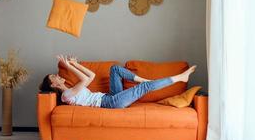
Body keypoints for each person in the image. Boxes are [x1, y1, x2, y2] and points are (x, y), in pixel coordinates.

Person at [39, 55, 196, 109]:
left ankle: (144, 80)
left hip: (109, 96)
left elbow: (91, 75)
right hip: (111, 103)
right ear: (53, 85)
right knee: (146, 87)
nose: (57, 76)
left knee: (115, 69)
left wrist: (75, 64)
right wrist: (68, 65)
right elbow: (87, 79)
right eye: (54, 77)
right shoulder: (65, 95)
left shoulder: (72, 89)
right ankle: (180, 78)